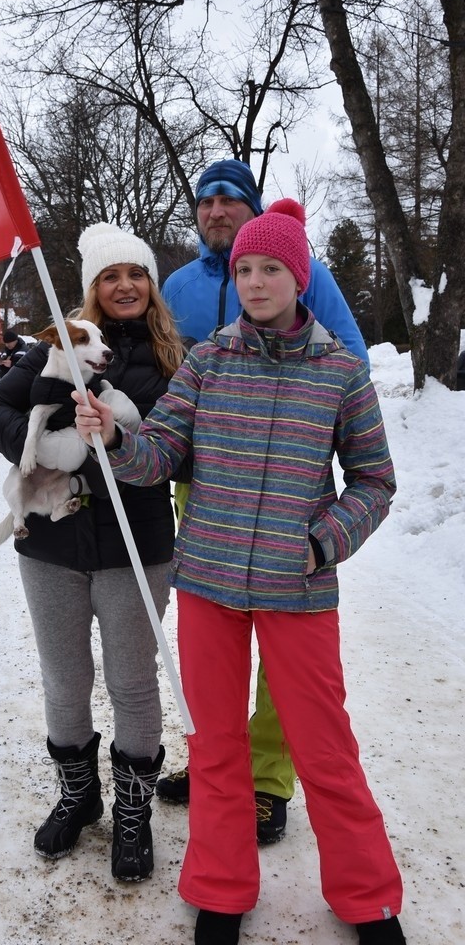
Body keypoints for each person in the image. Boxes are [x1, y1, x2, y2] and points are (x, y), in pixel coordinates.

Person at [73, 200, 405, 945]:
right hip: (211, 586)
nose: (255, 282)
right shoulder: (207, 360)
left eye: (272, 269)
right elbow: (160, 453)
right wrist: (115, 439)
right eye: (247, 268)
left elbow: (375, 481)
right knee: (217, 745)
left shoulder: (340, 372)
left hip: (300, 589)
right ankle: (221, 888)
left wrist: (322, 542)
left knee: (324, 748)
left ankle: (369, 897)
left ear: (299, 276)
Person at [157, 158, 370, 843]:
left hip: (285, 486)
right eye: (206, 200)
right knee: (210, 640)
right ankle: (215, 760)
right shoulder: (180, 285)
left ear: (253, 211)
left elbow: (350, 361)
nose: (216, 209)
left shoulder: (297, 267)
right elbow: (164, 377)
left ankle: (270, 780)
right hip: (205, 481)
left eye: (230, 199)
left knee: (282, 640)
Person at [0, 222, 186, 881]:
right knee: (65, 679)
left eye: (136, 274)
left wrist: (121, 438)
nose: (124, 286)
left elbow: (184, 451)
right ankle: (79, 795)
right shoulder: (56, 348)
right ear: (94, 289)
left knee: (130, 682)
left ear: (151, 285)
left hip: (135, 544)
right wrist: (44, 446)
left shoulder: (179, 359)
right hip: (53, 546)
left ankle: (132, 811)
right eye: (110, 276)